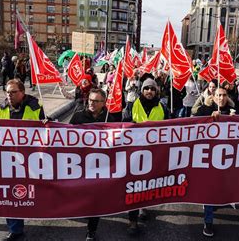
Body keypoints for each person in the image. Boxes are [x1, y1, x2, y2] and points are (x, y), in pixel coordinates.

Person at [0, 79, 46, 241]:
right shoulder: (1, 109)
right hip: (9, 160)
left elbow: (46, 130)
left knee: (34, 191)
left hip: (31, 159)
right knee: (11, 195)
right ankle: (15, 229)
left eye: (13, 92)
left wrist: (48, 122)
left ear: (22, 93)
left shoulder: (35, 107)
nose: (9, 95)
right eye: (7, 92)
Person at [122, 78, 170, 235]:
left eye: (152, 88)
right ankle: (133, 221)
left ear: (156, 91)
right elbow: (123, 126)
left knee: (148, 183)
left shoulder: (163, 107)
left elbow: (172, 127)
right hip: (134, 153)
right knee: (134, 185)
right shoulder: (131, 105)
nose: (149, 91)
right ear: (141, 90)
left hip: (155, 154)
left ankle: (144, 206)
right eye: (146, 88)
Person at [70, 88, 114, 241]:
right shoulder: (78, 116)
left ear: (104, 103)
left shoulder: (112, 118)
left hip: (102, 166)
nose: (92, 103)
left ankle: (91, 230)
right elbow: (64, 136)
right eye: (90, 100)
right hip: (81, 164)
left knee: (96, 199)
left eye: (96, 101)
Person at [195, 86, 239, 237]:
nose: (221, 98)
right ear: (213, 96)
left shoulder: (234, 110)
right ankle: (208, 223)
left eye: (224, 95)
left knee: (224, 187)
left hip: (228, 158)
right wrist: (208, 115)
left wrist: (236, 121)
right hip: (209, 158)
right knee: (210, 190)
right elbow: (193, 124)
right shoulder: (205, 109)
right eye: (218, 95)